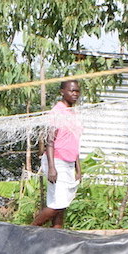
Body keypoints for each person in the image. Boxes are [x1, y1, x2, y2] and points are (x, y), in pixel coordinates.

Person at [32, 79, 82, 228]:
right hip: (56, 160)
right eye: (71, 91)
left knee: (62, 205)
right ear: (62, 92)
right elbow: (50, 141)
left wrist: (78, 168)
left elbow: (75, 142)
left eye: (77, 91)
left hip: (68, 162)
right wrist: (52, 168)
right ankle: (28, 230)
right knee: (58, 204)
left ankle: (56, 237)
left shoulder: (74, 114)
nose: (75, 94)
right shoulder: (57, 112)